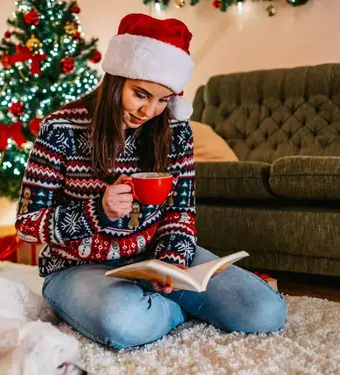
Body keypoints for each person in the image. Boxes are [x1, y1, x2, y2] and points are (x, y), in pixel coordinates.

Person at [15, 13, 287, 350]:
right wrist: (96, 211)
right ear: (117, 78)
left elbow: (181, 211)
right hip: (78, 267)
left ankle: (152, 303)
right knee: (124, 323)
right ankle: (173, 312)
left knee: (265, 312)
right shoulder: (61, 128)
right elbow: (27, 224)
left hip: (154, 259)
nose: (149, 111)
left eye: (162, 99)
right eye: (140, 94)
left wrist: (171, 260)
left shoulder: (174, 129)